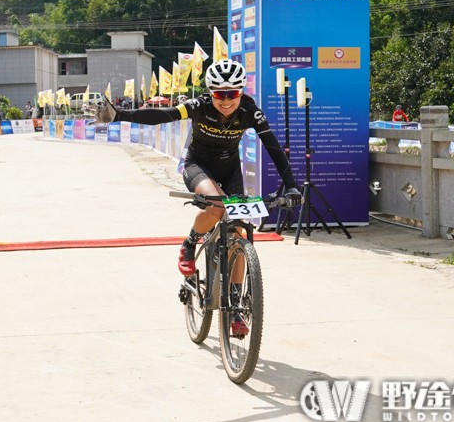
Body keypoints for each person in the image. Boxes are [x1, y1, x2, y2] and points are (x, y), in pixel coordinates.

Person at [98, 60, 301, 335]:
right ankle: (190, 243)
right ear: (210, 93)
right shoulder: (199, 106)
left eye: (233, 93)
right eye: (220, 94)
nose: (227, 100)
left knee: (239, 230)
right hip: (198, 166)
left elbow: (274, 147)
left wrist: (290, 186)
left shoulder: (250, 110)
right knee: (217, 206)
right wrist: (120, 114)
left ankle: (237, 305)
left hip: (230, 169)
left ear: (241, 92)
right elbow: (164, 115)